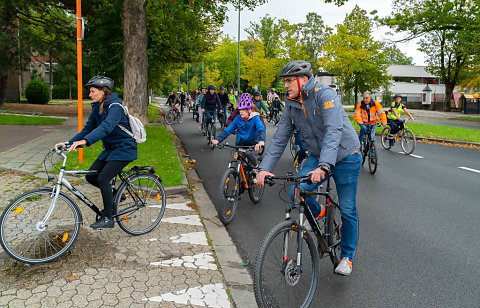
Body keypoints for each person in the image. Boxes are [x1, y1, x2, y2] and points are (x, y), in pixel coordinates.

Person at [256, 60, 361, 276]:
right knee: (296, 189)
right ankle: (320, 211)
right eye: (284, 81)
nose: (285, 86)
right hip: (318, 155)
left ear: (303, 79)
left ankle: (347, 257)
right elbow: (280, 138)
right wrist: (264, 168)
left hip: (346, 155)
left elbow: (334, 130)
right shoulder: (291, 103)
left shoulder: (325, 95)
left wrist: (324, 165)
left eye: (288, 81)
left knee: (348, 208)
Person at [54, 76, 137, 230]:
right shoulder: (97, 107)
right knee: (91, 176)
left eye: (92, 91)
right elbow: (87, 129)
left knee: (104, 179)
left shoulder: (115, 107)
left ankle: (107, 217)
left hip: (124, 149)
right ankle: (117, 195)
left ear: (103, 91)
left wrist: (85, 141)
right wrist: (69, 143)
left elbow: (106, 127)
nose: (90, 95)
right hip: (111, 150)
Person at [212, 93, 265, 167]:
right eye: (240, 110)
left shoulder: (255, 118)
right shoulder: (238, 118)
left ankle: (256, 168)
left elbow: (261, 129)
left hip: (254, 143)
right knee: (238, 157)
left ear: (249, 110)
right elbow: (228, 130)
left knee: (249, 154)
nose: (241, 112)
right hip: (242, 143)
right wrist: (218, 139)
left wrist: (260, 142)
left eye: (243, 110)